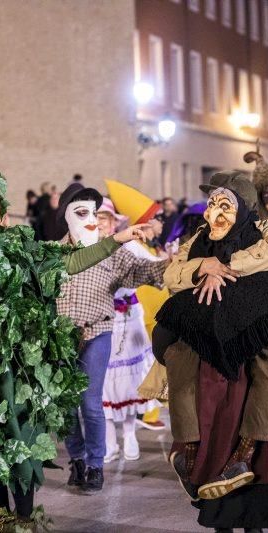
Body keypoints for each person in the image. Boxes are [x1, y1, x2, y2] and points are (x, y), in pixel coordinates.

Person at [0, 154, 151, 531]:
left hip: (17, 367)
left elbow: (70, 262)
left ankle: (22, 518)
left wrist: (116, 238)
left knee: (22, 438)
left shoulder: (18, 248)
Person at [157, 175, 268, 532]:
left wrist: (223, 267)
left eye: (226, 205)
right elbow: (173, 274)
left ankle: (245, 453)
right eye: (212, 204)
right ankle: (189, 454)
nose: (215, 213)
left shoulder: (267, 232)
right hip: (208, 363)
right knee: (179, 359)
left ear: (244, 208)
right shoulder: (198, 241)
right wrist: (202, 268)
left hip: (254, 357)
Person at [56, 182, 169, 495]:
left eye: (94, 212)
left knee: (91, 403)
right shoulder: (53, 254)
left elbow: (149, 272)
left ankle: (95, 465)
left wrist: (178, 260)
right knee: (65, 406)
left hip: (98, 332)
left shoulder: (113, 254)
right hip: (60, 337)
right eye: (82, 212)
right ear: (66, 216)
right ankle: (76, 459)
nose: (91, 219)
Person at [96, 198, 162, 463]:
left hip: (129, 317)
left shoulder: (131, 245)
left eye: (105, 217)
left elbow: (156, 265)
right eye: (96, 217)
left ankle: (130, 434)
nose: (100, 222)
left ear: (114, 222)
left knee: (129, 381)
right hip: (104, 319)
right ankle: (110, 441)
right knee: (104, 380)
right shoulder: (87, 248)